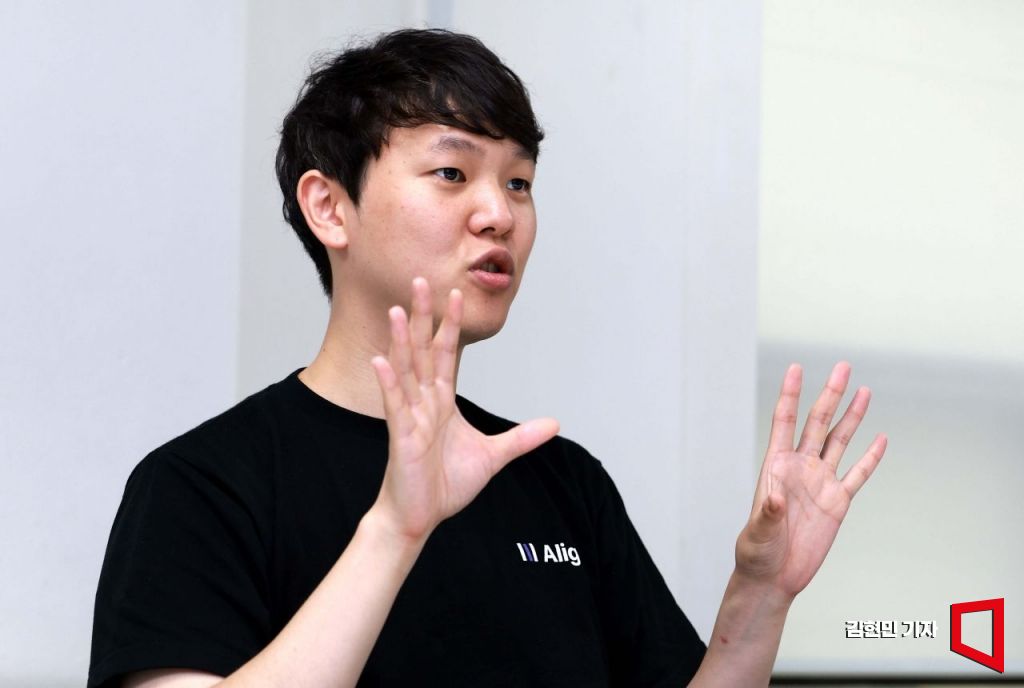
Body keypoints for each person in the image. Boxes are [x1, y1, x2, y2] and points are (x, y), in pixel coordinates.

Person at [88, 28, 887, 688]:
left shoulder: (563, 483)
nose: (498, 214)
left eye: (519, 183)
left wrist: (761, 594)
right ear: (329, 206)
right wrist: (397, 528)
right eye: (452, 172)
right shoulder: (202, 484)